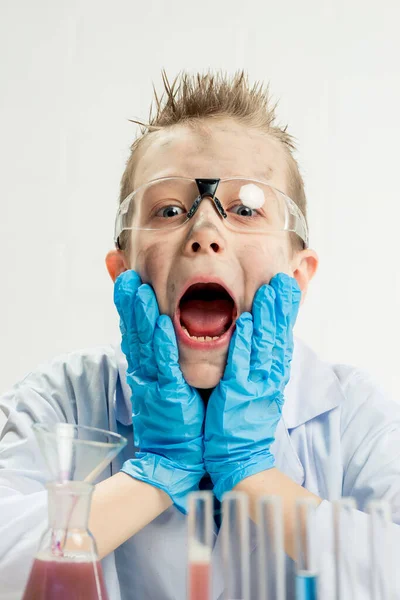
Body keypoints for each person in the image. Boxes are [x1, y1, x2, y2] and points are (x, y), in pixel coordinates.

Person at [1, 70, 400, 600]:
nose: (205, 233)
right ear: (124, 274)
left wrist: (253, 473)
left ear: (297, 277)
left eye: (245, 208)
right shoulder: (63, 400)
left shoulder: (354, 417)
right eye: (169, 210)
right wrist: (157, 471)